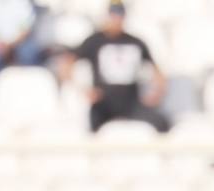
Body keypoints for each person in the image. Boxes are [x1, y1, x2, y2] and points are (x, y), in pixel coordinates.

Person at [65, 2, 168, 133]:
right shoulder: (95, 41)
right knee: (90, 128)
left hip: (131, 103)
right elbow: (68, 63)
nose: (116, 19)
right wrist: (83, 90)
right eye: (113, 15)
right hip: (104, 103)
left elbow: (157, 71)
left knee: (162, 124)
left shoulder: (135, 42)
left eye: (119, 15)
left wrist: (157, 93)